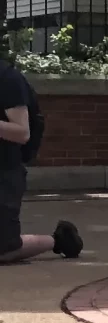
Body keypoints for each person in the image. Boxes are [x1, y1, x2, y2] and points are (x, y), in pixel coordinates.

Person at [0, 50, 80, 265]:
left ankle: (59, 239)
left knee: (4, 250)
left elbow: (21, 132)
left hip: (5, 170)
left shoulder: (7, 79)